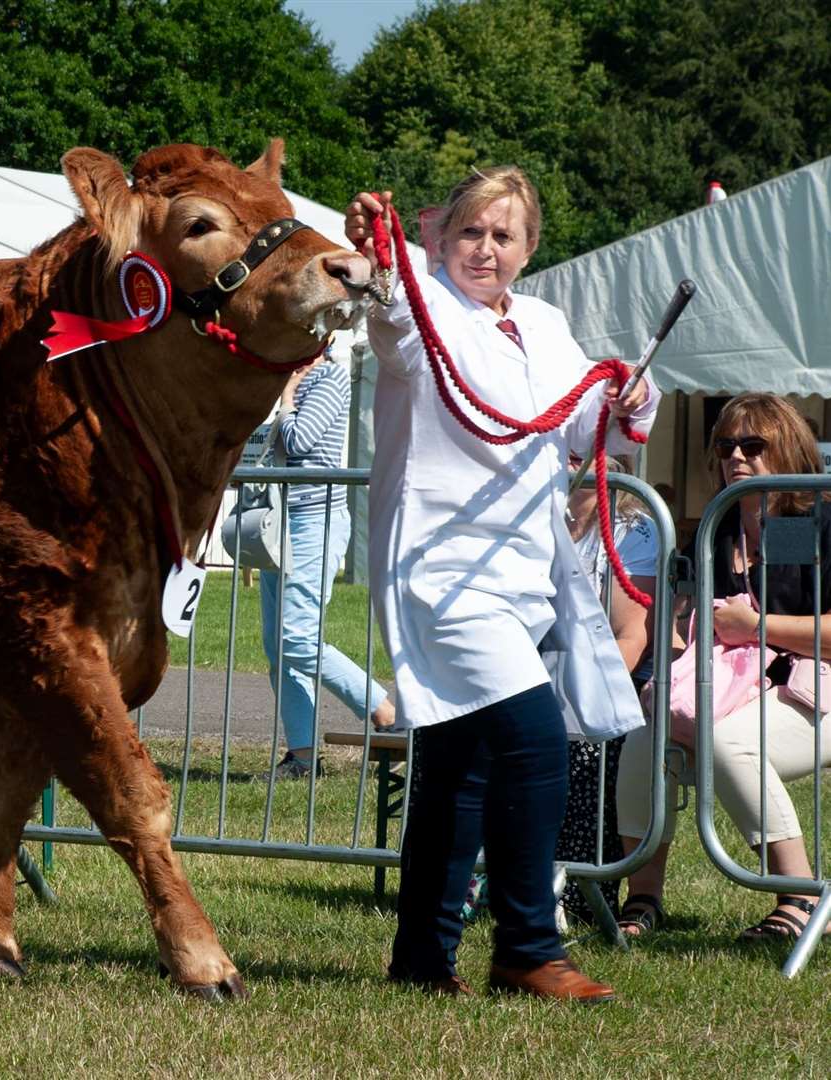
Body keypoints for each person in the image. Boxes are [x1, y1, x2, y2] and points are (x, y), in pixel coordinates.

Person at [345, 167, 655, 1002]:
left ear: (529, 248)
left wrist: (627, 393)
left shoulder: (546, 323)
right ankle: (525, 945)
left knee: (460, 762)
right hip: (441, 568)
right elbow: (390, 304)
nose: (485, 249)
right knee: (532, 740)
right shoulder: (420, 304)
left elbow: (587, 422)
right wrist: (377, 246)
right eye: (471, 232)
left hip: (521, 569)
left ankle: (421, 955)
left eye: (504, 236)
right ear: (440, 235)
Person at [616, 393, 831, 943]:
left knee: (731, 743)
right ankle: (642, 897)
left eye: (753, 445)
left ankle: (801, 899)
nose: (736, 456)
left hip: (816, 687)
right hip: (731, 685)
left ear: (788, 450)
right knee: (645, 734)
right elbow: (680, 626)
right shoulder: (714, 530)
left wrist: (754, 627)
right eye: (726, 445)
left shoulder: (819, 522)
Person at [236, 353, 396, 781]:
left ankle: (386, 713)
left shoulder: (329, 376)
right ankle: (302, 758)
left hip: (314, 523)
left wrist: (286, 396)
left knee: (298, 638)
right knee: (278, 647)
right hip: (279, 520)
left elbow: (301, 439)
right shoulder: (283, 372)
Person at [556, 455, 657, 925]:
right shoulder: (526, 514)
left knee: (588, 745)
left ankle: (576, 894)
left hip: (599, 684)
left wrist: (572, 698)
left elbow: (631, 638)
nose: (571, 457)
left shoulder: (632, 529)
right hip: (530, 673)